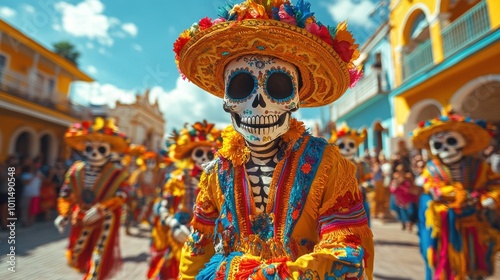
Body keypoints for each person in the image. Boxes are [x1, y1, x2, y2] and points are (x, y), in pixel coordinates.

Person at [174, 1, 374, 278]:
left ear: (294, 102)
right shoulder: (216, 173)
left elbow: (345, 250)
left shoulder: (327, 164)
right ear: (227, 102)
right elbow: (198, 247)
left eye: (278, 88)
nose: (258, 104)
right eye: (241, 87)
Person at [411, 109, 500, 280]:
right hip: (445, 226)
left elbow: (495, 184)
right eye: (438, 145)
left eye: (451, 141)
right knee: (448, 263)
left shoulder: (479, 166)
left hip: (474, 221)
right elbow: (431, 188)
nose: (445, 149)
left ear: (463, 142)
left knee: (475, 264)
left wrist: (490, 198)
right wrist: (449, 194)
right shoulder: (431, 168)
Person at [54, 118, 131, 280]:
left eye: (101, 149)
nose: (95, 153)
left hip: (105, 219)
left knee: (98, 260)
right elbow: (66, 193)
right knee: (75, 255)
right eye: (90, 148)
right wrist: (64, 213)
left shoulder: (117, 173)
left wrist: (101, 208)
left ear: (109, 150)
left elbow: (122, 194)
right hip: (80, 217)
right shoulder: (76, 170)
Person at [148, 121, 221, 280]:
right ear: (191, 156)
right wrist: (173, 225)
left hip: (209, 247)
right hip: (178, 238)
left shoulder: (221, 182)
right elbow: (163, 207)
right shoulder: (177, 179)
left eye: (209, 154)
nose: (204, 158)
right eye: (199, 153)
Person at [330, 124, 374, 226]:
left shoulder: (362, 165)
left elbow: (371, 185)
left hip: (359, 203)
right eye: (342, 145)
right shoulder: (332, 167)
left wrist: (364, 186)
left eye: (351, 144)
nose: (347, 148)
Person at [389, 164, 418, 232]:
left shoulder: (408, 178)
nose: (400, 172)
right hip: (400, 200)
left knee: (411, 213)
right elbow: (393, 190)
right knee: (402, 214)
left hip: (408, 199)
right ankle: (404, 223)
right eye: (399, 171)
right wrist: (397, 184)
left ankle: (409, 224)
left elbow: (412, 188)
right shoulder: (395, 180)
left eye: (402, 171)